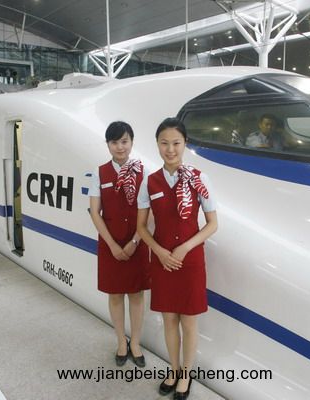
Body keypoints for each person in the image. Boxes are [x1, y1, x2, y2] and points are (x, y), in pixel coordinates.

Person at [137, 117, 218, 400]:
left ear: (185, 144)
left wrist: (185, 247)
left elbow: (212, 224)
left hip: (190, 261)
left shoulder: (199, 178)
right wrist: (159, 251)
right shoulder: (150, 182)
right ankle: (173, 370)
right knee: (169, 319)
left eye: (176, 143)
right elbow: (141, 228)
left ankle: (186, 374)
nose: (170, 149)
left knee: (189, 322)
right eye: (164, 143)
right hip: (162, 261)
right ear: (157, 145)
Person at [89, 121, 149, 368]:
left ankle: (136, 343)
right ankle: (121, 342)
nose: (120, 147)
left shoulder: (144, 173)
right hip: (109, 243)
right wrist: (113, 245)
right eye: (115, 142)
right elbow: (95, 212)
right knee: (115, 294)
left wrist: (135, 240)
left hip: (138, 241)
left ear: (132, 142)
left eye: (125, 141)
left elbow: (149, 212)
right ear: (108, 144)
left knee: (136, 294)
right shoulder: (99, 173)